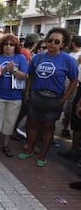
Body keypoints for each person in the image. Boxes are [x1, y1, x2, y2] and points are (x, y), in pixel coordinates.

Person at [18, 27, 78, 167]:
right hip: (36, 97)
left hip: (54, 99)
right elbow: (31, 75)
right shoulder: (38, 57)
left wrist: (64, 98)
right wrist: (27, 92)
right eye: (50, 40)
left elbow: (74, 80)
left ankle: (42, 155)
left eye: (56, 41)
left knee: (48, 127)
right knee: (32, 124)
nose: (52, 43)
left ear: (62, 44)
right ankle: (30, 149)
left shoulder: (67, 60)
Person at [0, 34, 28, 157]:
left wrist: (13, 70)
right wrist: (3, 70)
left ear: (16, 47)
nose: (8, 47)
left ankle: (5, 145)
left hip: (15, 97)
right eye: (6, 44)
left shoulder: (20, 58)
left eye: (11, 45)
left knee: (9, 122)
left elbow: (24, 76)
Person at [58, 35, 81, 160]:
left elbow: (75, 78)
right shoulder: (69, 55)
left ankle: (74, 150)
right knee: (70, 113)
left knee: (75, 117)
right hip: (70, 88)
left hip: (76, 88)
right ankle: (65, 129)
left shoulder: (77, 57)